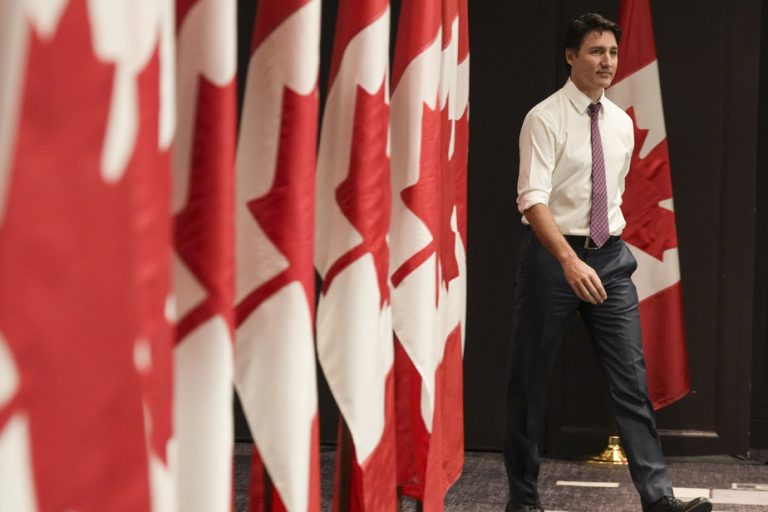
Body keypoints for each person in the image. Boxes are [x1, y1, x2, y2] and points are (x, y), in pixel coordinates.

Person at [502, 13, 712, 512]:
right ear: (571, 56)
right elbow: (532, 199)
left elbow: (611, 197)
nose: (608, 62)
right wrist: (568, 262)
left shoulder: (619, 122)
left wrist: (604, 255)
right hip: (553, 258)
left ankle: (658, 501)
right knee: (529, 386)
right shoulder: (544, 117)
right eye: (596, 52)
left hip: (610, 259)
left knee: (632, 384)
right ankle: (524, 502)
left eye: (613, 53)